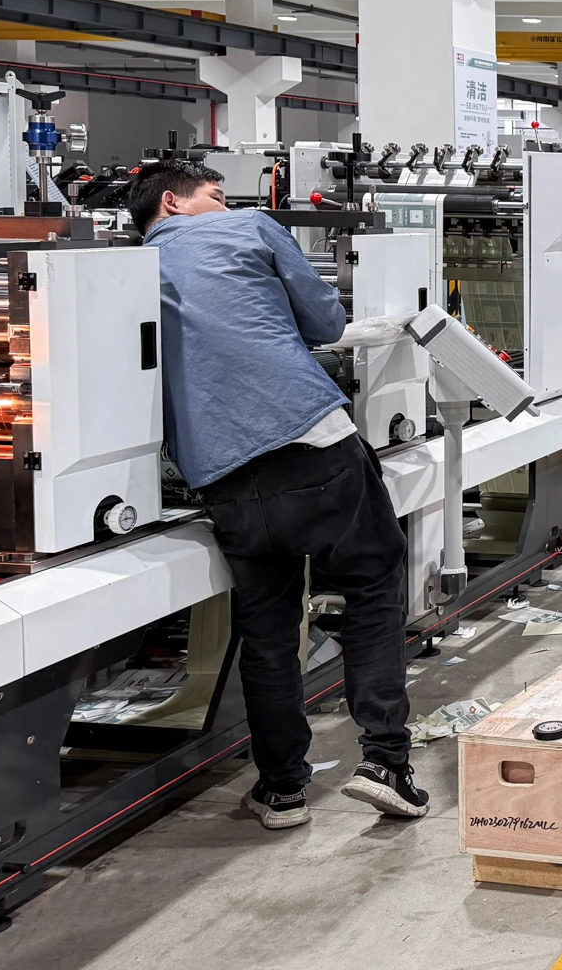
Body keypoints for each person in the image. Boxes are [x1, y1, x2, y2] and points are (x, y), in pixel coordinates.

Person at [131, 160, 427, 831]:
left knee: (267, 628)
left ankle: (283, 788)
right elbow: (325, 322)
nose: (224, 202)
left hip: (222, 475)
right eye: (212, 193)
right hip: (309, 437)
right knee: (373, 588)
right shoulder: (248, 226)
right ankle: (385, 763)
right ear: (172, 203)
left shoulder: (120, 272)